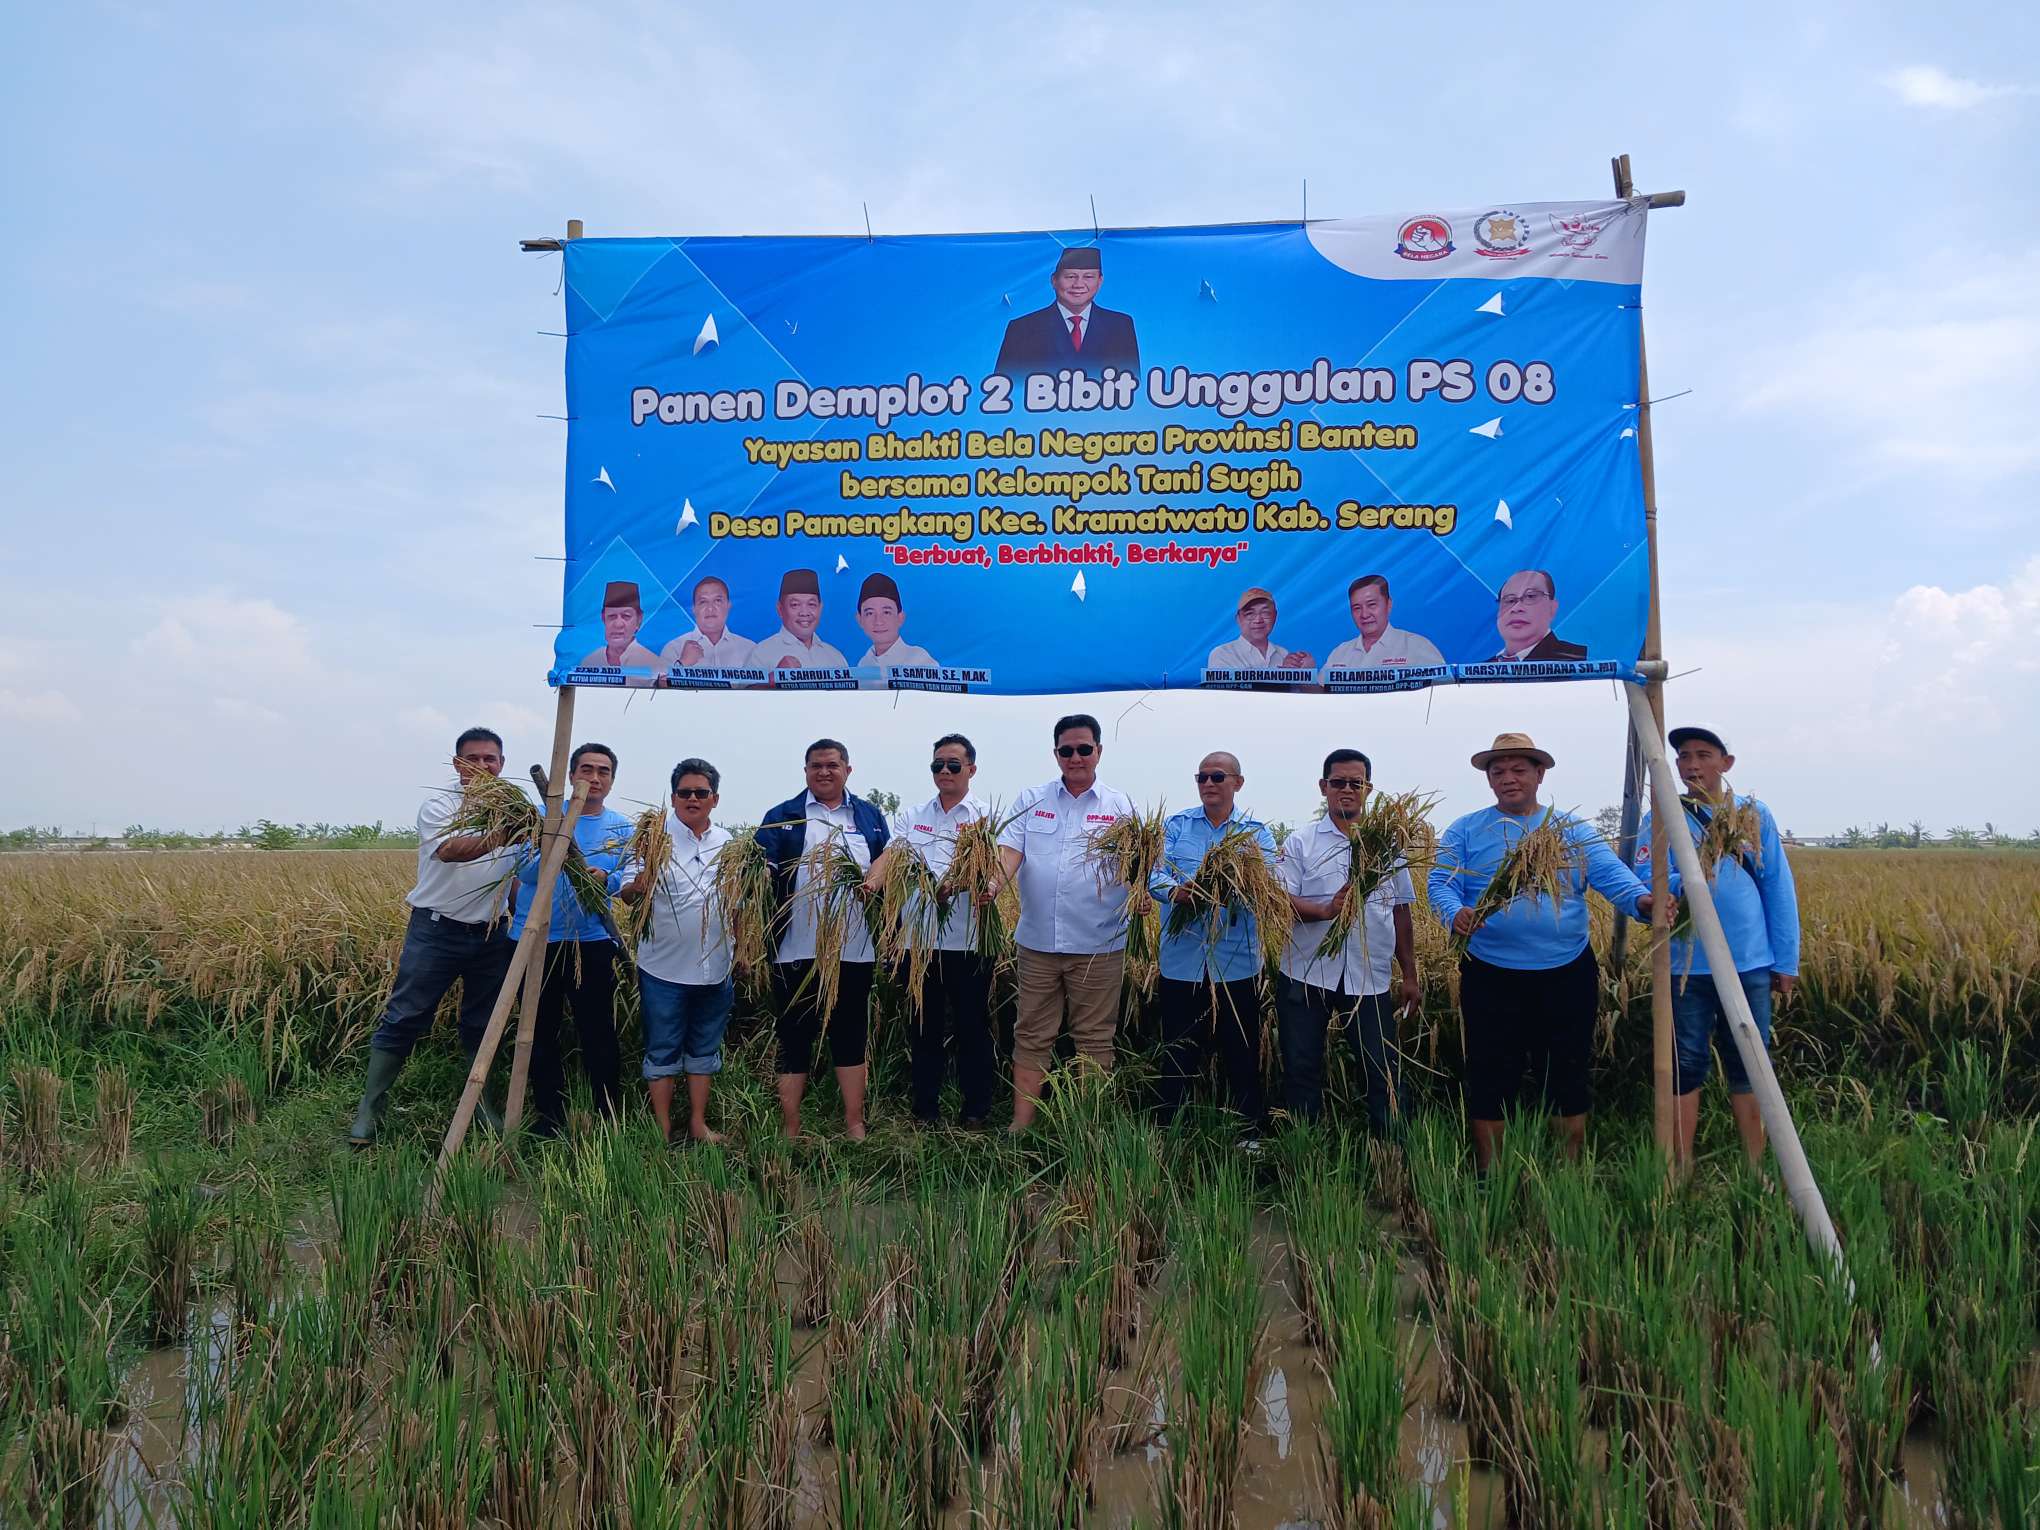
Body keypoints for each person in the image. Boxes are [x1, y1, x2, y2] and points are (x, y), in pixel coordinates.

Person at [1428, 732, 1661, 1168]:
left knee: (1566, 1070)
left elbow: (1613, 877)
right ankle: (1491, 1174)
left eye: (1519, 770)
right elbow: (1440, 883)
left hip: (1566, 973)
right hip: (1490, 973)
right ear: (1489, 780)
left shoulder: (1570, 832)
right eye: (1499, 772)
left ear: (1540, 774)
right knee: (1491, 1071)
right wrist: (1454, 913)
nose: (1508, 779)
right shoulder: (1466, 830)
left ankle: (1567, 1170)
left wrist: (1645, 903)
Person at [349, 727, 523, 1147]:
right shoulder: (440, 805)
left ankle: (480, 1105)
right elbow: (449, 851)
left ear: (502, 764)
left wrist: (522, 918)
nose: (482, 766)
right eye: (473, 758)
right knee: (405, 1015)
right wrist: (506, 833)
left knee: (484, 1023)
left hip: (491, 934)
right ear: (457, 763)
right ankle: (370, 1107)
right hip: (436, 930)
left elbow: (514, 875)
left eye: (490, 759)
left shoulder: (515, 808)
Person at [1635, 725, 1800, 1167]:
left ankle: (1755, 1166)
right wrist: (1686, 879)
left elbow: (1777, 886)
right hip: (1686, 965)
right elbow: (1645, 877)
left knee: (1751, 1063)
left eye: (1703, 755)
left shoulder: (1752, 814)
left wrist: (1786, 960)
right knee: (1685, 1063)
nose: (1692, 765)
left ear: (1726, 764)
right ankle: (1680, 1167)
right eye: (1684, 756)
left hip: (1751, 962)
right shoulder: (1663, 815)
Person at [994, 713, 1144, 1133]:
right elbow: (1010, 854)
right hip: (1038, 942)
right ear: (1055, 753)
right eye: (1066, 750)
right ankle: (1021, 1126)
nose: (1075, 758)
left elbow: (1136, 867)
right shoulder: (1031, 800)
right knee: (1031, 1033)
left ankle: (1086, 1129)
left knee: (1094, 1037)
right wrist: (992, 884)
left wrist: (1140, 894)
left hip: (1099, 945)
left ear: (1099, 751)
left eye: (1084, 749)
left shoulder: (1120, 806)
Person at [1276, 748, 1421, 1133]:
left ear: (1368, 789)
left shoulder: (1388, 847)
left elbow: (1401, 911)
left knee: (1381, 1066)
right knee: (1301, 1065)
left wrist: (1409, 974)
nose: (1346, 790)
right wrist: (1325, 910)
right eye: (1338, 782)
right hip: (1306, 972)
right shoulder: (1301, 842)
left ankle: (1392, 1146)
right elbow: (1278, 900)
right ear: (1323, 787)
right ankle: (1303, 1145)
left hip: (1368, 976)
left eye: (1355, 783)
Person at [755, 739, 891, 1139]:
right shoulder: (783, 815)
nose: (824, 772)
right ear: (806, 772)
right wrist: (760, 873)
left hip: (854, 949)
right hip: (794, 949)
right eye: (816, 766)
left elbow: (888, 865)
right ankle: (791, 1126)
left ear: (848, 769)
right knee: (793, 1036)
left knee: (850, 1035)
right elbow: (763, 863)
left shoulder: (869, 816)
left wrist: (877, 884)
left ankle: (854, 1122)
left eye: (832, 765)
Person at [863, 733, 996, 1128]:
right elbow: (892, 855)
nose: (945, 771)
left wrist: (974, 885)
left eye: (953, 765)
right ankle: (925, 1111)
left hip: (969, 941)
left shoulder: (985, 818)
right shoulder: (913, 815)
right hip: (918, 944)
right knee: (923, 1028)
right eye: (938, 765)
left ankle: (976, 1110)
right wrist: (872, 882)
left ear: (971, 769)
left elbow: (995, 869)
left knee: (973, 1027)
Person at [1149, 751, 1277, 1144]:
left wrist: (1231, 887)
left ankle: (1248, 1132)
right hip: (1182, 961)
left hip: (1235, 962)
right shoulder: (1176, 826)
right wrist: (1177, 892)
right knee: (1178, 1049)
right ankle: (1169, 1131)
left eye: (1217, 776)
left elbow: (1269, 883)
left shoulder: (1256, 834)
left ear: (1237, 783)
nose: (1208, 783)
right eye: (1202, 777)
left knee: (1241, 1050)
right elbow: (1153, 874)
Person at [512, 742, 633, 1137]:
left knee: (598, 1030)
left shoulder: (621, 828)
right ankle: (549, 1117)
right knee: (537, 1031)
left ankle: (607, 1114)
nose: (594, 778)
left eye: (603, 771)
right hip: (536, 940)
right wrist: (558, 848)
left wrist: (606, 878)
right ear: (571, 775)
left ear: (611, 780)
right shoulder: (542, 818)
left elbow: (630, 878)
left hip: (592, 941)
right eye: (586, 770)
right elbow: (525, 872)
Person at [617, 757, 736, 1145]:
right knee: (663, 1049)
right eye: (685, 792)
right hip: (664, 969)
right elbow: (628, 894)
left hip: (716, 967)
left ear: (714, 799)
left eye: (701, 792)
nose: (692, 799)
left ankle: (698, 1124)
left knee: (704, 1048)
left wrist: (744, 951)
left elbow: (738, 903)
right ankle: (663, 1129)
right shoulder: (652, 840)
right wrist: (641, 881)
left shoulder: (728, 844)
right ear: (673, 798)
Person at [994, 246, 1140, 379]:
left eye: (1088, 277)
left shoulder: (1120, 326)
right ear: (1054, 280)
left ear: (1100, 281)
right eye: (1070, 277)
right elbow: (1005, 386)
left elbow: (1132, 386)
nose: (1078, 284)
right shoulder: (1022, 328)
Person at [1320, 575, 1446, 673]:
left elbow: (1442, 690)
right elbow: (1321, 694)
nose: (1364, 614)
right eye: (1357, 608)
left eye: (1371, 605)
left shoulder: (1416, 646)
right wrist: (1309, 674)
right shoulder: (1340, 653)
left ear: (1389, 604)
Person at [752, 568, 851, 671]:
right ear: (780, 609)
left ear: (820, 608)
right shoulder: (762, 653)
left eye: (811, 604)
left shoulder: (835, 657)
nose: (804, 613)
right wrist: (776, 676)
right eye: (795, 605)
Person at [1206, 587, 1316, 673]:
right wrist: (1282, 674)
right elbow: (1229, 694)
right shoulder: (1222, 654)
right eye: (1250, 614)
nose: (1258, 620)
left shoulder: (1283, 653)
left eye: (1265, 613)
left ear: (1275, 616)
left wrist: (1301, 674)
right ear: (1238, 619)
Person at [658, 576, 755, 672]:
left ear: (728, 606)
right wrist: (683, 663)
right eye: (703, 602)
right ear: (694, 609)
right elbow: (660, 681)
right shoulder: (674, 648)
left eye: (717, 601)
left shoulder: (749, 649)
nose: (710, 608)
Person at [852, 572, 938, 678]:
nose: (878, 621)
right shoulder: (864, 663)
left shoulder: (919, 660)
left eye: (886, 612)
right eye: (870, 613)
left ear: (900, 618)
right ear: (859, 619)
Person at [1488, 570, 1587, 661]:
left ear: (1552, 607)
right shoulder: (1483, 669)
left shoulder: (1579, 660)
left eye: (1530, 596)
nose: (1516, 608)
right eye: (1509, 600)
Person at [578, 580, 662, 686]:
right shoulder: (590, 661)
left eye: (626, 616)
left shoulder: (653, 664)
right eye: (612, 616)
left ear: (639, 620)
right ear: (603, 618)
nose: (618, 624)